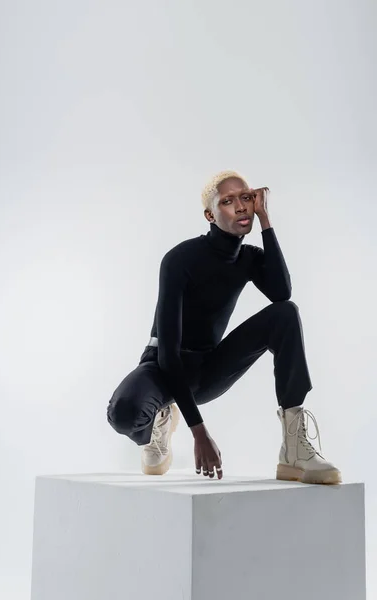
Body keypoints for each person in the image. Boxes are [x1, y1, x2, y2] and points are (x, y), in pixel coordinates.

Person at [107, 170, 341, 485]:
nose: (241, 206)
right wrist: (199, 432)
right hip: (163, 365)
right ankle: (158, 422)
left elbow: (281, 293)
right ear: (210, 214)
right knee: (122, 412)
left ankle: (294, 448)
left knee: (285, 313)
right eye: (228, 201)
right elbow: (168, 356)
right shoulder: (179, 259)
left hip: (208, 368)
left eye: (246, 197)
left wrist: (266, 221)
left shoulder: (249, 258)